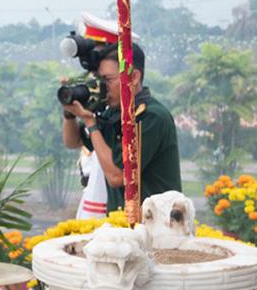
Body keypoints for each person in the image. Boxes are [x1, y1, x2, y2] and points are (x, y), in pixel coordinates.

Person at [62, 41, 182, 213]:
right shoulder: (114, 114)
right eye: (99, 80)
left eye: (108, 80)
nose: (103, 88)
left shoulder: (151, 117)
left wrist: (91, 122)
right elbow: (73, 141)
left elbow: (117, 176)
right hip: (122, 226)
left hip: (157, 227)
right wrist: (69, 113)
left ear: (134, 77)